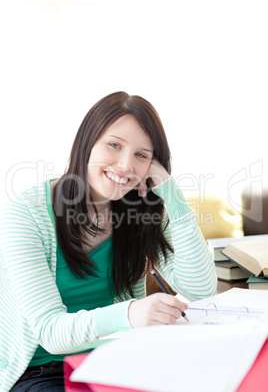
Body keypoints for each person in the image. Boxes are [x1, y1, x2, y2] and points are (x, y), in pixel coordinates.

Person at [0, 91, 217, 391]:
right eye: (114, 145)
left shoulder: (139, 211)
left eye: (142, 155)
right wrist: (131, 313)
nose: (126, 166)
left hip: (117, 359)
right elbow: (50, 332)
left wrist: (171, 194)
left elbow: (201, 288)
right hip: (41, 372)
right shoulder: (24, 213)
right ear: (87, 142)